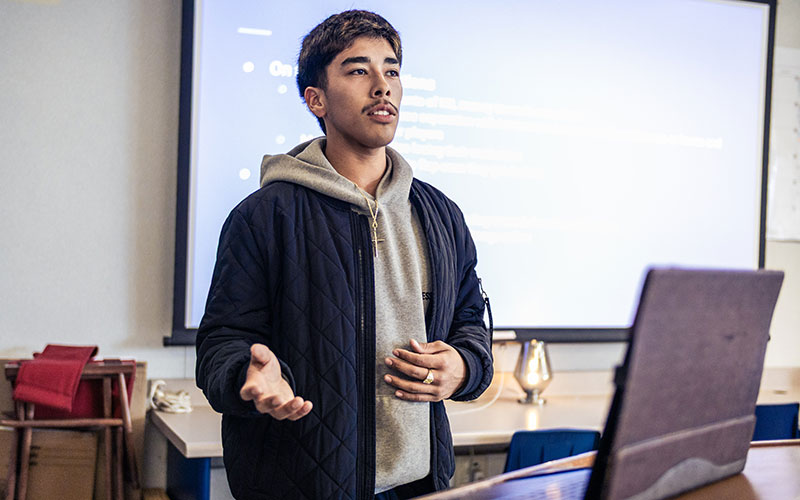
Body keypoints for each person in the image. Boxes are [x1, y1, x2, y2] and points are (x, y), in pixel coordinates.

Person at [195, 10, 493, 500]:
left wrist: (464, 366)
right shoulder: (265, 215)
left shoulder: (440, 214)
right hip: (299, 485)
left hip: (419, 485)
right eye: (359, 71)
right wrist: (248, 373)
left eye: (392, 71)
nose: (383, 86)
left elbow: (469, 323)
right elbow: (221, 342)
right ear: (317, 100)